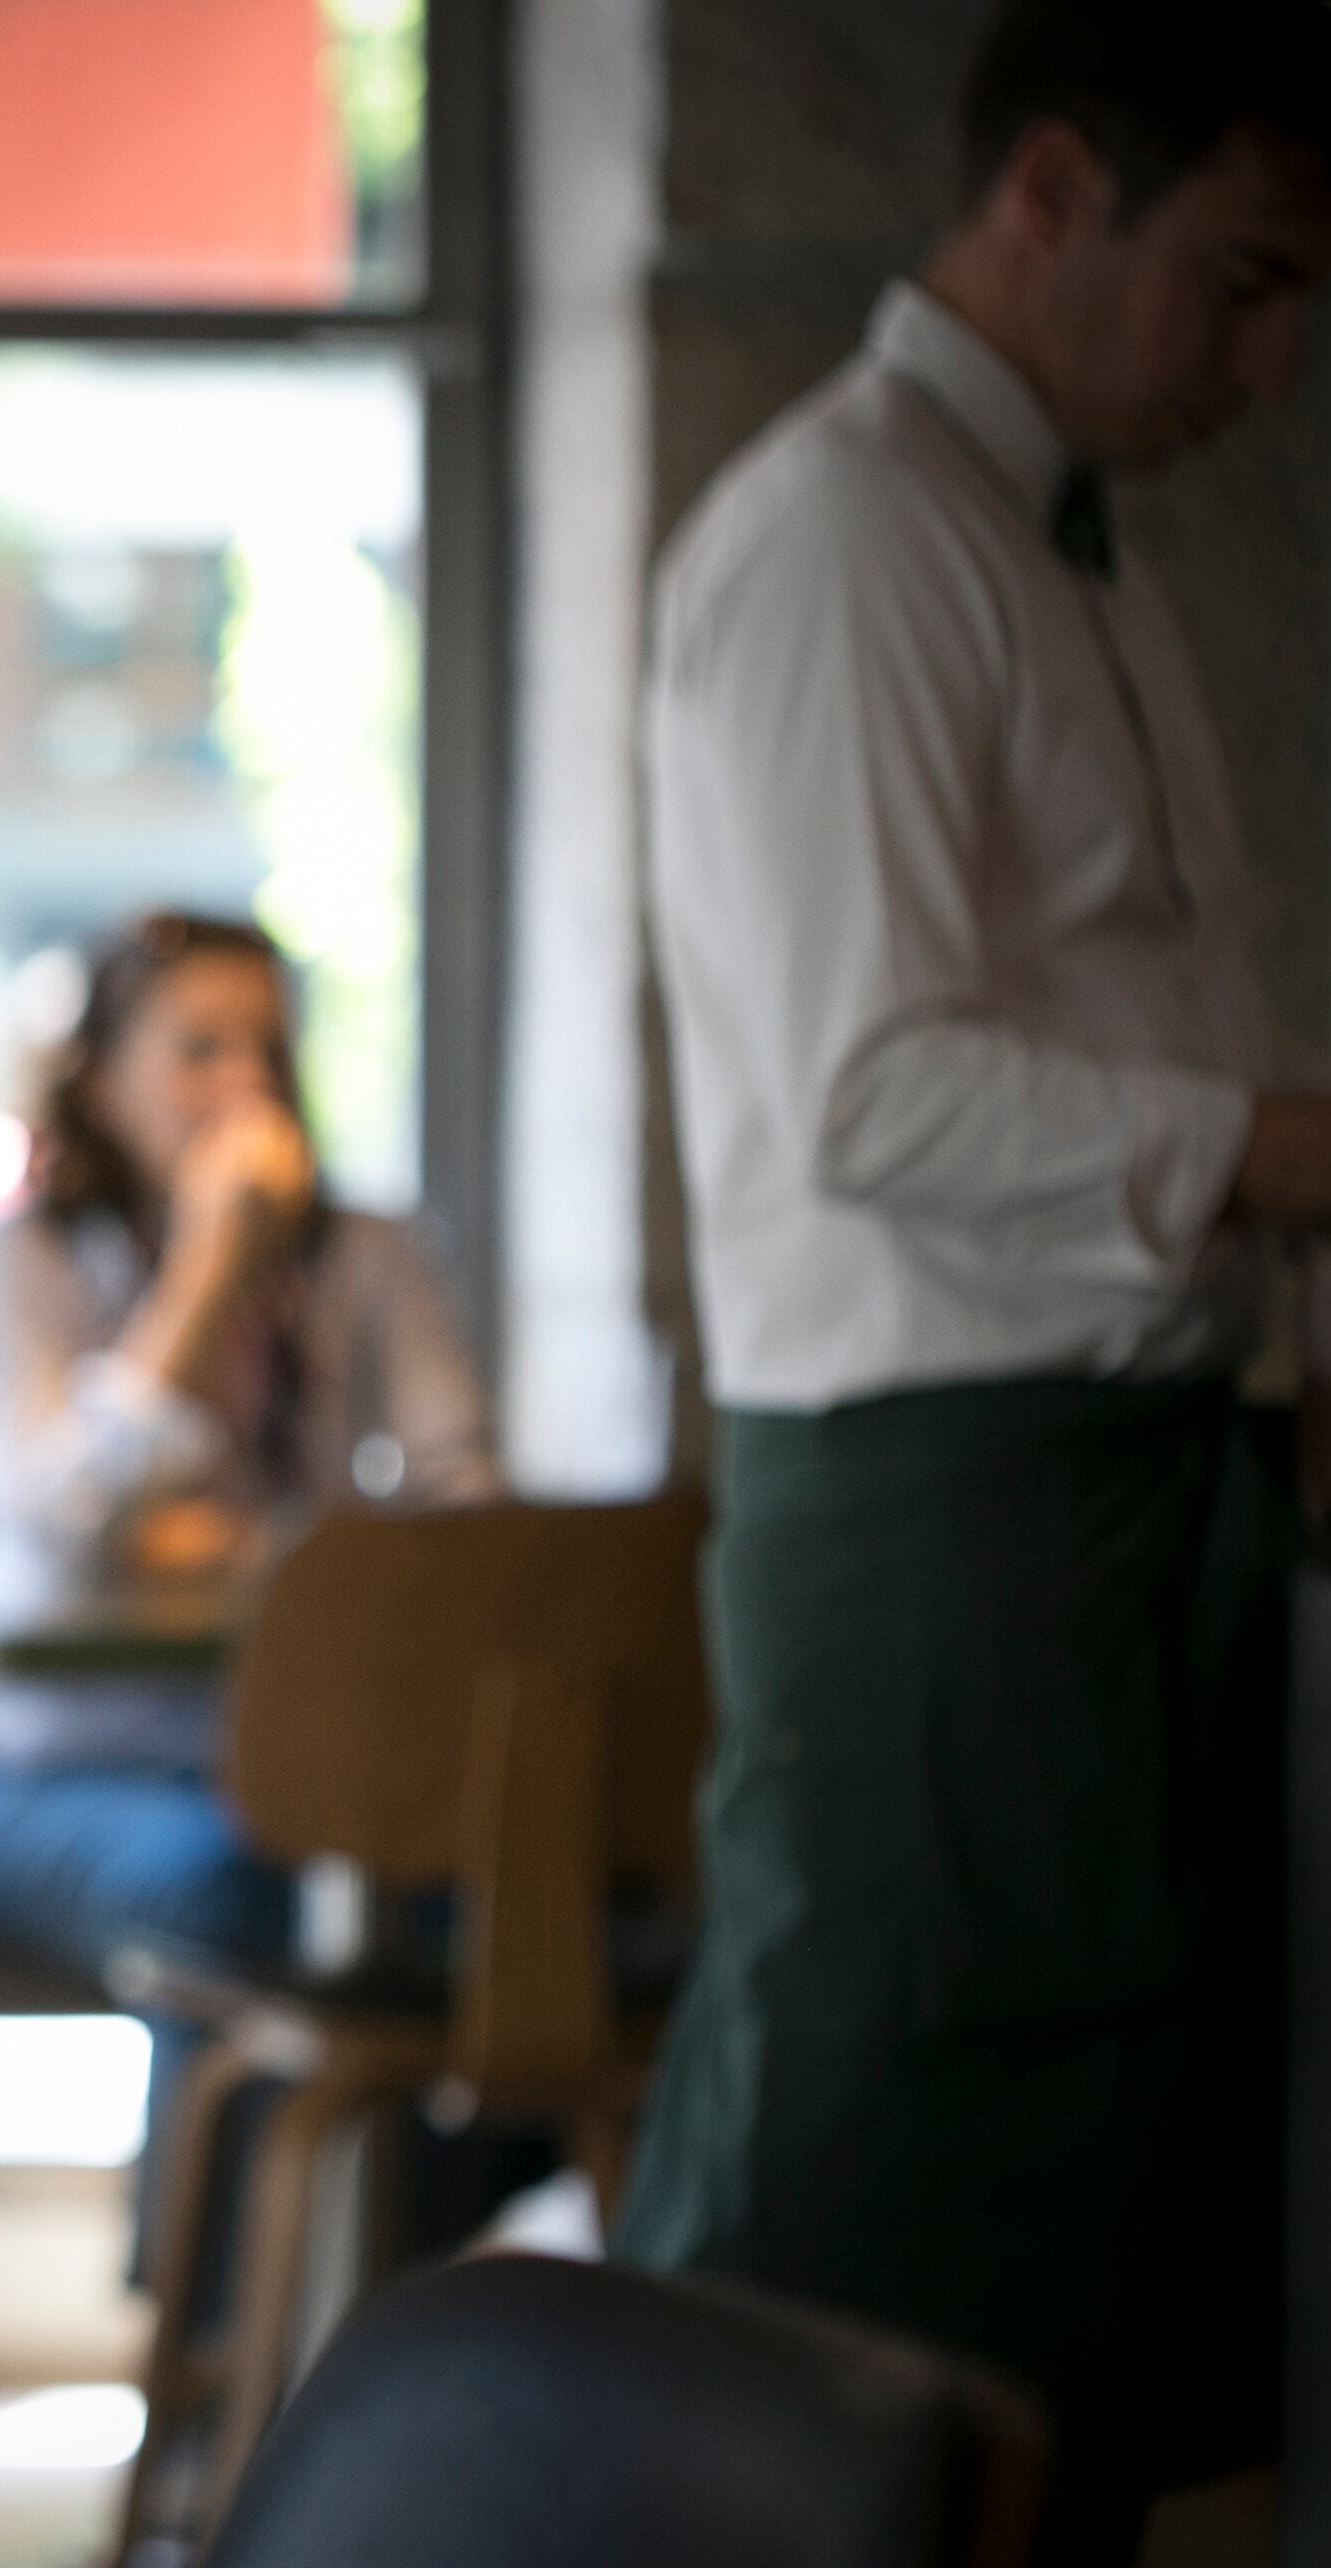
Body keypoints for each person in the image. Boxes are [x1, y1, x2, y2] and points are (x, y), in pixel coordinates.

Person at [619, 4, 1331, 2553]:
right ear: (1052, 192)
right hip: (948, 1513)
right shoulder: (842, 532)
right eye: (1240, 283)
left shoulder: (1047, 534)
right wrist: (1290, 1155)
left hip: (1129, 1488)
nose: (1266, 364)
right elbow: (866, 1092)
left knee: (1104, 2294)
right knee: (864, 2260)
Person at [0, 913, 494, 2230]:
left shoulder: (364, 1255)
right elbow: (62, 1537)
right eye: (198, 1049)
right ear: (103, 1076)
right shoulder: (29, 1256)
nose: (244, 1086)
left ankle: (316, 2317)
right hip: (20, 1777)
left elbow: (470, 1520)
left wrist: (247, 1547)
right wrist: (211, 1271)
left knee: (499, 1916)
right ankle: (225, 2337)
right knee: (246, 1893)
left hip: (292, 1776)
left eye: (268, 1051)